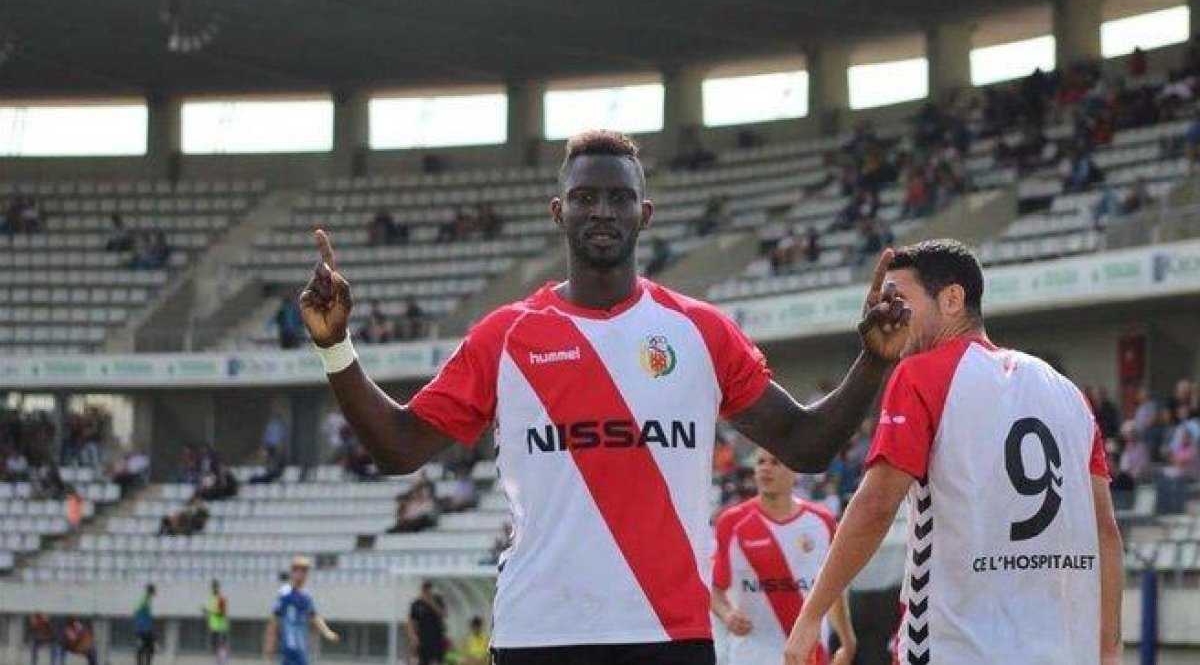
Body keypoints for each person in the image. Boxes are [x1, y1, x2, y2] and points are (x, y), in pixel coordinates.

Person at [299, 130, 911, 665]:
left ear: (644, 214)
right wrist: (336, 348)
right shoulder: (506, 335)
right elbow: (399, 448)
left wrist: (873, 361)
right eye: (586, 197)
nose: (602, 211)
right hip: (542, 630)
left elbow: (806, 445)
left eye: (618, 197)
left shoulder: (699, 331)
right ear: (557, 210)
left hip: (668, 632)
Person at [784, 240, 1122, 665]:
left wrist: (812, 613)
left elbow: (876, 504)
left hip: (957, 646)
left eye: (899, 301)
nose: (887, 315)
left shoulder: (921, 374)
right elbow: (1105, 530)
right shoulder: (1067, 391)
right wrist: (1110, 647)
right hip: (1064, 652)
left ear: (952, 299)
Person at [711, 449, 855, 665]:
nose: (766, 468)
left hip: (810, 655)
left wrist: (846, 639)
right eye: (761, 462)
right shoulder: (732, 523)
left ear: (795, 471)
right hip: (751, 656)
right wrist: (727, 614)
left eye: (775, 462)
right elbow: (713, 588)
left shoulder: (821, 522)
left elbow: (833, 591)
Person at [265, 557, 339, 665]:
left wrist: (327, 632)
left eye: (305, 571)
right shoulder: (285, 593)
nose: (302, 574)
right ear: (293, 572)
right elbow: (274, 622)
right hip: (290, 646)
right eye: (299, 570)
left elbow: (314, 615)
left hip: (302, 645)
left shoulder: (306, 595)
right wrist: (269, 649)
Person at [408, 581, 448, 665]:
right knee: (422, 661)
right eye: (425, 590)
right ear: (422, 590)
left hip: (437, 638)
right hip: (422, 639)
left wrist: (431, 603)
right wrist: (413, 637)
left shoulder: (438, 600)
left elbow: (443, 614)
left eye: (429, 590)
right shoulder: (416, 604)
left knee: (437, 661)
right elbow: (412, 622)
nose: (427, 592)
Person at [204, 579, 231, 665]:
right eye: (212, 587)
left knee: (221, 647)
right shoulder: (211, 598)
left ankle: (223, 663)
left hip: (221, 627)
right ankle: (217, 662)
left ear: (218, 587)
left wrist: (209, 611)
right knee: (214, 648)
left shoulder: (221, 599)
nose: (213, 588)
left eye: (215, 586)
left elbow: (222, 613)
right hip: (213, 627)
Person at [134, 584, 156, 665]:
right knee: (148, 647)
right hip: (144, 629)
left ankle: (143, 662)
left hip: (143, 628)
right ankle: (143, 662)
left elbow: (138, 612)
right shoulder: (145, 600)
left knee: (145, 647)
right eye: (153, 591)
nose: (154, 593)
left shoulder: (146, 600)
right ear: (151, 591)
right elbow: (138, 612)